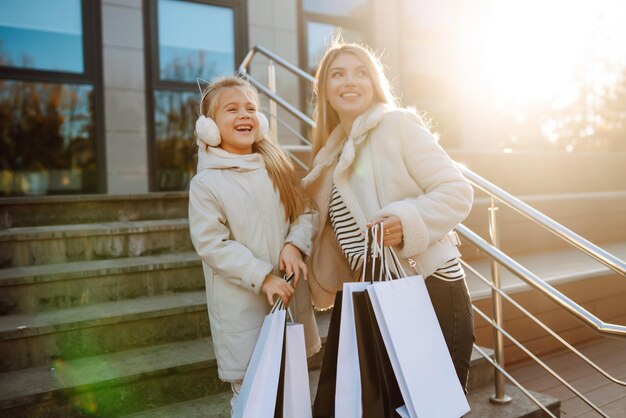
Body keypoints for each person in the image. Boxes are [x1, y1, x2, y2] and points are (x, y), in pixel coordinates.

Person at [303, 42, 475, 392]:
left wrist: (406, 221)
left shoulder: (397, 125)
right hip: (373, 295)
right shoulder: (328, 155)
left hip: (430, 285)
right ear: (325, 91)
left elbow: (457, 191)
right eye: (338, 74)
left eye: (360, 72)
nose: (350, 81)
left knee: (432, 406)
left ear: (374, 82)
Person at [188, 76, 320, 414]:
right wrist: (263, 276)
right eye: (231, 109)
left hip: (288, 298)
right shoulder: (207, 184)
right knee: (253, 398)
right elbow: (212, 245)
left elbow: (305, 211)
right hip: (242, 309)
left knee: (290, 392)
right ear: (209, 128)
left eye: (251, 108)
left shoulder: (277, 166)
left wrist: (294, 244)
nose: (244, 115)